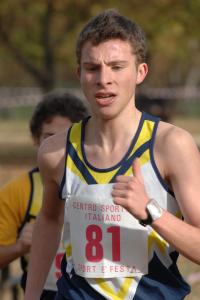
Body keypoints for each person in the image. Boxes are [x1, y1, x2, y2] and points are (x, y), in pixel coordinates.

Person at [24, 9, 200, 300]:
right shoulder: (55, 152)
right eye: (92, 68)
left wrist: (151, 212)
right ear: (79, 74)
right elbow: (49, 220)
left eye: (117, 67)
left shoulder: (172, 145)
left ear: (140, 72)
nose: (104, 79)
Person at [0, 90, 88, 299]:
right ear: (35, 138)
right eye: (50, 137)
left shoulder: (100, 185)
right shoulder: (20, 190)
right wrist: (19, 247)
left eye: (67, 137)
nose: (59, 146)